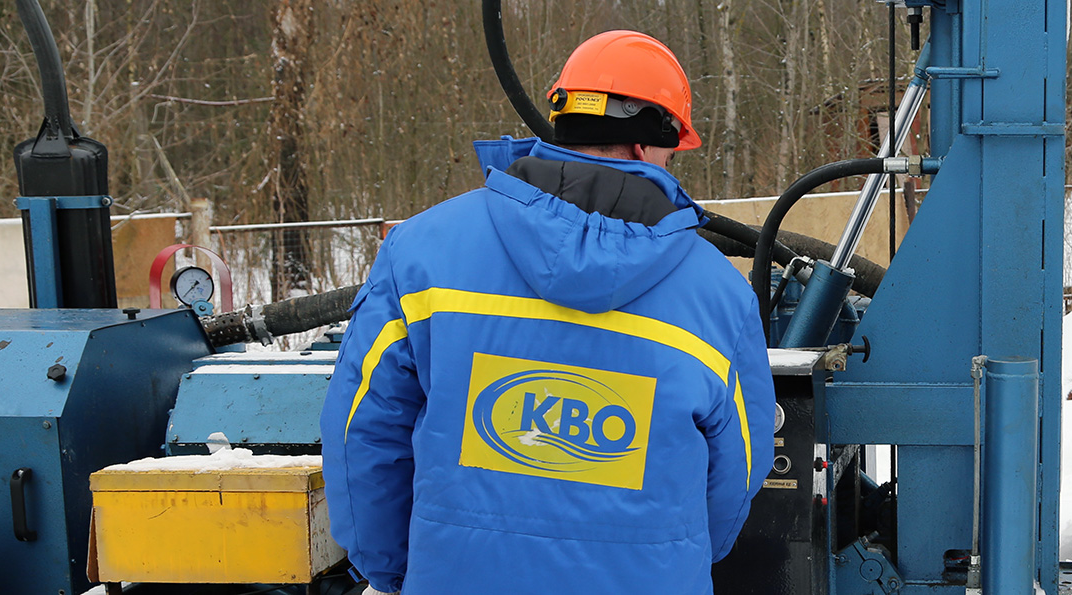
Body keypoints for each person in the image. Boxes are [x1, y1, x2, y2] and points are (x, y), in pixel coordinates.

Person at [320, 30, 774, 595]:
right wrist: (669, 554)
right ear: (648, 143)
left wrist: (393, 568)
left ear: (561, 123)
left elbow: (363, 433)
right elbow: (736, 477)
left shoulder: (422, 251)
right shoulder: (718, 293)